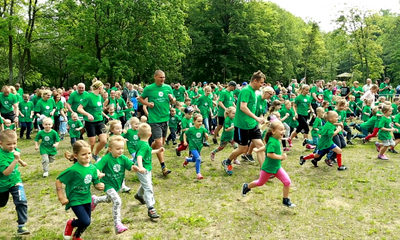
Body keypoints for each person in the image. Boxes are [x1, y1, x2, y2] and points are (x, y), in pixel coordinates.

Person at [56, 141, 105, 240]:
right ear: (75, 155)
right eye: (83, 154)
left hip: (86, 197)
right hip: (75, 199)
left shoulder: (92, 168)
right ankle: (71, 223)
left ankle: (76, 236)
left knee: (87, 221)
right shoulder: (73, 170)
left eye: (89, 153)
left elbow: (95, 182)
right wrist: (61, 197)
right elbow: (59, 180)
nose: (87, 156)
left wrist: (99, 185)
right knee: (85, 221)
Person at [221, 71, 266, 175]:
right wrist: (256, 118)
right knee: (243, 148)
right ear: (255, 81)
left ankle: (264, 172)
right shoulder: (246, 91)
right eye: (261, 83)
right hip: (243, 125)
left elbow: (252, 108)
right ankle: (227, 161)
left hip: (252, 124)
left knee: (260, 146)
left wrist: (258, 118)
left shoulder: (254, 92)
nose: (262, 85)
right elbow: (242, 107)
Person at [241, 121, 295, 207]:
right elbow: (270, 154)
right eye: (281, 130)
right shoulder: (272, 141)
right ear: (273, 131)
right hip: (268, 168)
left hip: (277, 167)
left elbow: (266, 147)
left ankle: (285, 199)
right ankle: (247, 186)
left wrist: (258, 150)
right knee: (260, 183)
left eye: (283, 130)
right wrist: (281, 157)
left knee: (287, 182)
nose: (283, 131)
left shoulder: (275, 139)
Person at [91, 135, 139, 234]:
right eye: (118, 149)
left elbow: (130, 167)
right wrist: (98, 173)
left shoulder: (123, 158)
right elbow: (95, 167)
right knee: (117, 201)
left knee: (109, 199)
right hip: (107, 184)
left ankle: (95, 199)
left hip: (117, 184)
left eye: (122, 148)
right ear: (110, 149)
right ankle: (117, 224)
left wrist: (136, 168)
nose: (120, 151)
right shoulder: (106, 159)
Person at [138, 70, 175, 176]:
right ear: (155, 77)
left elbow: (173, 101)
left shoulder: (168, 87)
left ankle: (146, 150)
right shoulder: (149, 88)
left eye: (164, 77)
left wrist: (172, 99)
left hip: (165, 118)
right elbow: (140, 98)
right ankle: (163, 167)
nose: (162, 79)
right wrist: (148, 104)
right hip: (154, 120)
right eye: (160, 77)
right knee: (159, 143)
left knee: (160, 144)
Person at [0, 130, 30, 235]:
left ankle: (22, 226)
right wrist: (16, 160)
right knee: (1, 203)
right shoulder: (0, 156)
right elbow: (6, 172)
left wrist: (21, 161)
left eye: (14, 143)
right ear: (1, 143)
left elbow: (15, 154)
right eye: (9, 144)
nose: (12, 146)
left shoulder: (14, 149)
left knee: (21, 201)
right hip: (2, 185)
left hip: (15, 181)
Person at [134, 123, 164, 218]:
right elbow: (139, 155)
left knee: (147, 184)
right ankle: (150, 208)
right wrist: (141, 166)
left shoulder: (143, 143)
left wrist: (158, 151)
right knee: (148, 188)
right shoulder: (144, 145)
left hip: (146, 168)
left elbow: (149, 151)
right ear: (150, 134)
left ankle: (139, 195)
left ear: (138, 135)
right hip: (143, 169)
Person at [77, 79, 107, 162]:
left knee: (104, 140)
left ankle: (95, 154)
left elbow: (98, 109)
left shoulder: (100, 97)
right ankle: (87, 158)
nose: (103, 89)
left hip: (100, 121)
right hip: (90, 123)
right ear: (99, 87)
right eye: (103, 87)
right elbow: (79, 109)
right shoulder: (88, 96)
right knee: (92, 143)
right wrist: (88, 114)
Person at [182, 113, 209, 179]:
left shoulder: (203, 129)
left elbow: (206, 138)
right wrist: (185, 141)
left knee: (194, 159)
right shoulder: (191, 129)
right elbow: (185, 134)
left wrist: (206, 136)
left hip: (199, 147)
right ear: (194, 121)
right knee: (198, 159)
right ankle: (198, 173)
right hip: (192, 147)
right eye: (198, 121)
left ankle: (187, 160)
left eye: (201, 121)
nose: (200, 123)